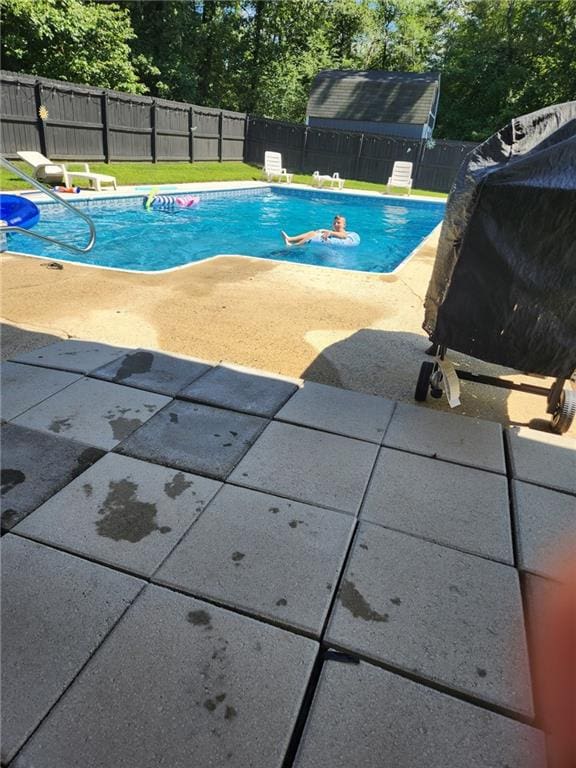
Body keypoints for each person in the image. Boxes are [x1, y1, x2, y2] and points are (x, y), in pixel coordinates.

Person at [282, 214, 350, 246]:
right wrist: (323, 230)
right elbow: (330, 232)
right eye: (334, 223)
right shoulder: (334, 230)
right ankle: (290, 239)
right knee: (312, 232)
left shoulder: (342, 231)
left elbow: (344, 236)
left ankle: (295, 245)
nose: (336, 224)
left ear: (344, 225)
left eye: (338, 223)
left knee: (313, 234)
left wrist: (331, 233)